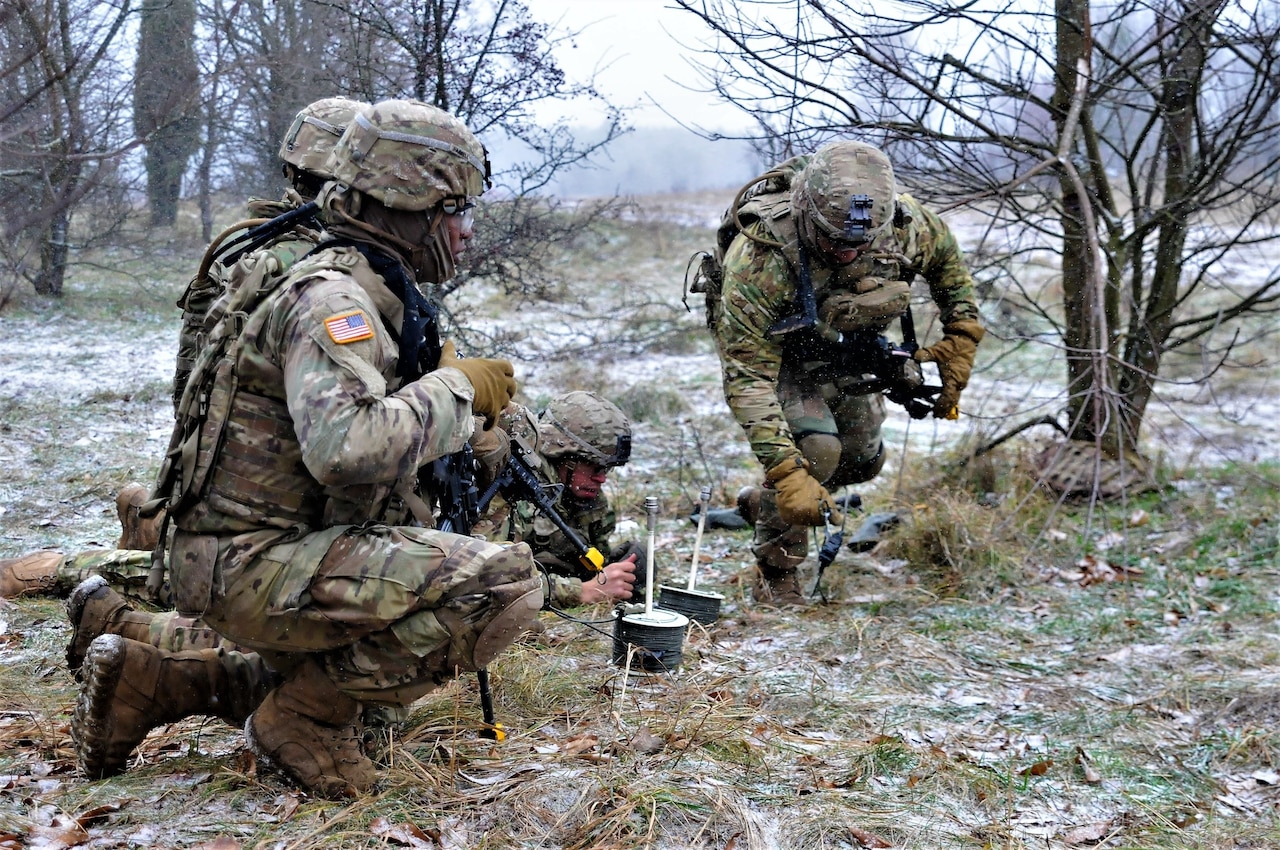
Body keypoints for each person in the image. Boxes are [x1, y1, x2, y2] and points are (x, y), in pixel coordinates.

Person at [69, 99, 537, 800]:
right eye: (455, 212)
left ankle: (155, 680)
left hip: (242, 552)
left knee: (384, 688)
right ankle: (303, 720)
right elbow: (347, 449)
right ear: (409, 207)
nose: (466, 233)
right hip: (251, 564)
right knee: (507, 583)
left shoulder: (353, 284)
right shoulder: (332, 300)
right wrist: (458, 393)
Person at [0, 98, 367, 602]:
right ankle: (58, 568)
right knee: (216, 584)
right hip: (257, 498)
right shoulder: (297, 265)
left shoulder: (255, 247)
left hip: (228, 477)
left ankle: (153, 519)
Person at [710, 140, 984, 606]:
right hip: (777, 354)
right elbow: (747, 376)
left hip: (843, 345)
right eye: (831, 240)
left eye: (858, 244)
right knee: (816, 451)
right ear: (804, 212)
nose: (845, 254)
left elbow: (947, 263)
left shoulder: (903, 225)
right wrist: (787, 470)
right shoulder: (761, 255)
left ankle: (770, 504)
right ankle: (777, 574)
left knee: (862, 458)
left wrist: (962, 329)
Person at [473, 392, 641, 609]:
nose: (602, 478)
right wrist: (582, 592)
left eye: (607, 468)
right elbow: (489, 577)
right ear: (563, 455)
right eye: (595, 467)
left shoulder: (583, 495)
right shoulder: (511, 490)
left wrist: (616, 574)